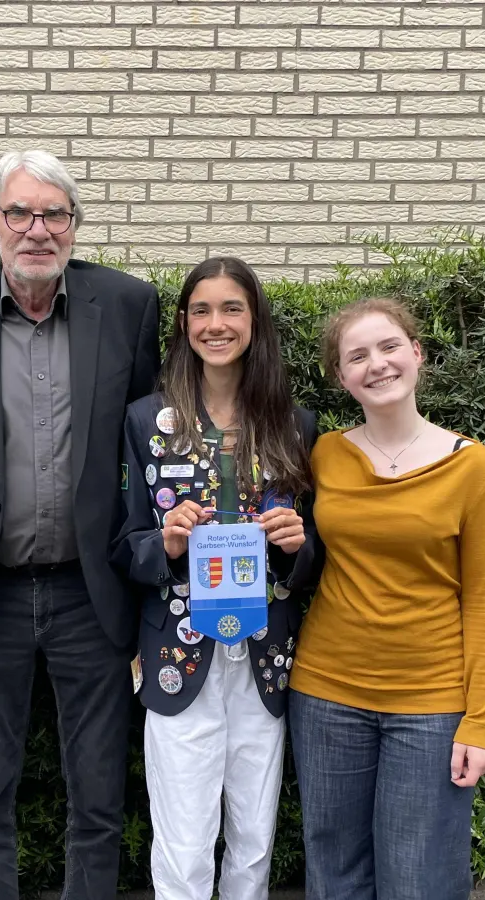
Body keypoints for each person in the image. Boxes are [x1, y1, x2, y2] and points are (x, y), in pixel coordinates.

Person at [0, 149, 161, 900]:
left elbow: (145, 451)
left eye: (54, 213)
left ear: (75, 226)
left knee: (100, 796)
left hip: (94, 592)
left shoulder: (130, 306)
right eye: (20, 212)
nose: (37, 229)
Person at [111, 256, 317, 900]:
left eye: (232, 308)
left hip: (265, 652)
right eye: (201, 309)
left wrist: (292, 547)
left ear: (254, 320)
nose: (216, 323)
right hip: (177, 650)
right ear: (183, 323)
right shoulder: (147, 421)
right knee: (183, 835)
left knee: (254, 836)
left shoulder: (295, 424)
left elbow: (312, 563)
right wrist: (167, 544)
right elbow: (124, 544)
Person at [289, 296, 485, 900]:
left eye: (389, 347)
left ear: (417, 353)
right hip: (326, 693)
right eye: (356, 356)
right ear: (341, 377)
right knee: (334, 875)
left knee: (419, 880)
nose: (376, 364)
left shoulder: (474, 469)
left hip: (431, 705)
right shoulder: (326, 454)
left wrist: (482, 721)